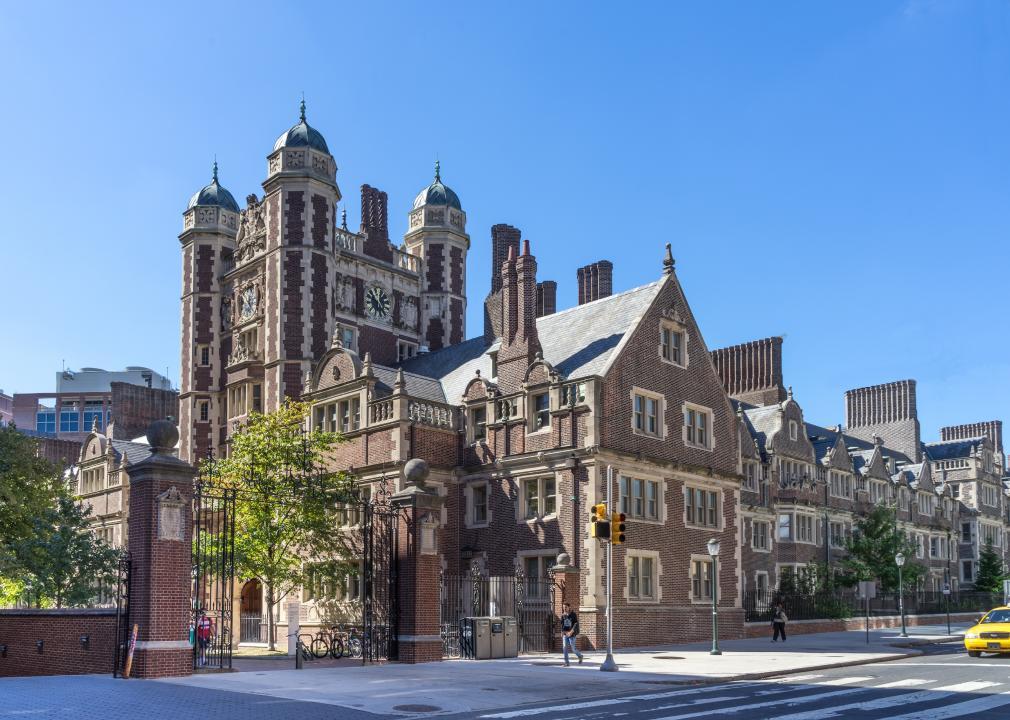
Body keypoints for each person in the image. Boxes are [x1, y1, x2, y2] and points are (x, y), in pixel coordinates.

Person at [560, 602, 583, 666]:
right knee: (565, 648)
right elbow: (562, 625)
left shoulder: (573, 614)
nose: (564, 609)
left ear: (569, 607)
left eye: (566, 607)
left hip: (572, 634)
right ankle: (566, 662)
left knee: (573, 649)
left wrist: (571, 632)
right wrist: (561, 632)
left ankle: (580, 656)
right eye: (563, 607)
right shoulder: (563, 615)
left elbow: (576, 624)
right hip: (565, 634)